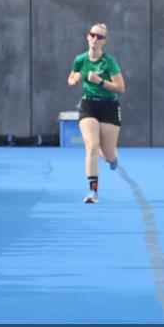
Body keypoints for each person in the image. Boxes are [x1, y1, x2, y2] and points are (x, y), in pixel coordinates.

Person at [66, 22, 124, 203]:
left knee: (109, 155)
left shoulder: (109, 61)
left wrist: (100, 81)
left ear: (104, 41)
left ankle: (111, 157)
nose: (95, 39)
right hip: (88, 105)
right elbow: (71, 78)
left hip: (109, 106)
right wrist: (74, 80)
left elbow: (120, 87)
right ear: (87, 36)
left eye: (100, 37)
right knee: (91, 147)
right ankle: (93, 191)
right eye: (93, 35)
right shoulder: (80, 59)